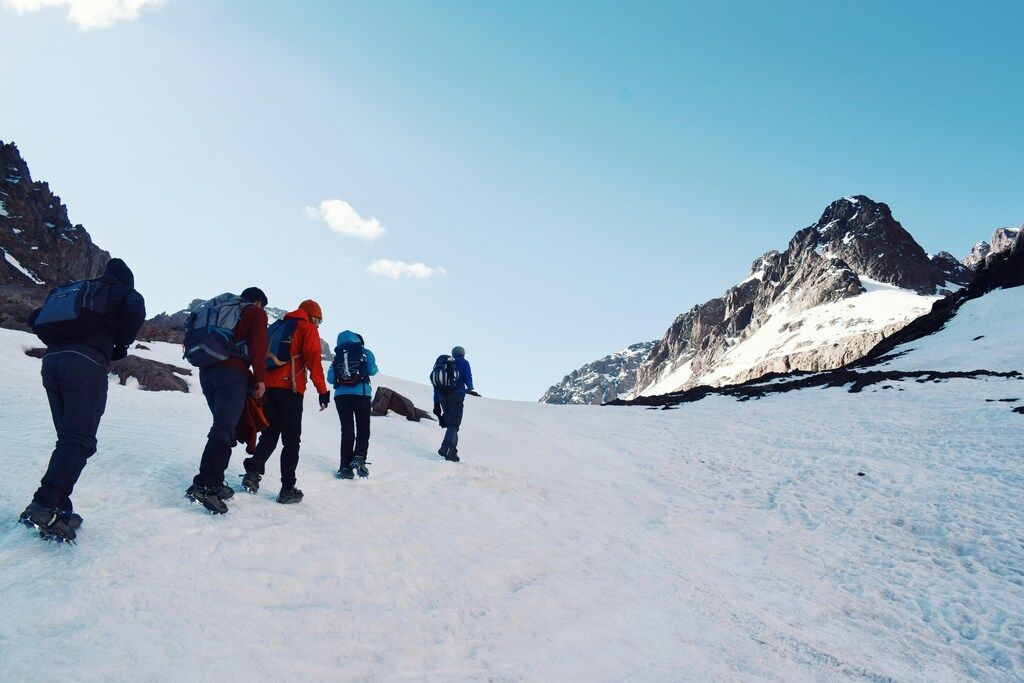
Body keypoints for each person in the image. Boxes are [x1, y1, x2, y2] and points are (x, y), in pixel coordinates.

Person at [21, 258, 146, 542]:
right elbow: (134, 315)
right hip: (85, 363)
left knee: (68, 437)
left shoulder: (76, 289)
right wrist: (119, 344)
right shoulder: (126, 292)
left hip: (52, 361)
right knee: (79, 439)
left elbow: (35, 318)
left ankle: (59, 509)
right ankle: (44, 505)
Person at [187, 287, 269, 514]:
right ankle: (205, 485)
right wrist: (260, 379)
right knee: (224, 428)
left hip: (207, 373)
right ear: (259, 302)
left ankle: (215, 481)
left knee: (226, 428)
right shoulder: (255, 312)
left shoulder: (222, 310)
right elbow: (258, 347)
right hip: (232, 373)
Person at [241, 299, 330, 503]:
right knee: (291, 440)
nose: (317, 325)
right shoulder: (306, 328)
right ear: (312, 316)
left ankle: (252, 474)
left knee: (270, 434)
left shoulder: (279, 325)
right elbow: (314, 362)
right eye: (318, 320)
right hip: (290, 389)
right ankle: (287, 488)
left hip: (267, 388)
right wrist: (323, 391)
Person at [327, 330, 378, 478]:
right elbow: (372, 371)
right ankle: (359, 457)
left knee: (347, 430)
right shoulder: (364, 352)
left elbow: (330, 378)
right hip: (361, 394)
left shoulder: (338, 355)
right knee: (363, 428)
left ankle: (344, 467)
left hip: (341, 396)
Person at [433, 345, 474, 462]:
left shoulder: (443, 366)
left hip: (442, 397)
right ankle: (445, 446)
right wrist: (470, 387)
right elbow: (468, 378)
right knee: (454, 425)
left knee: (452, 424)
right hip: (456, 395)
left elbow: (436, 386)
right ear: (463, 354)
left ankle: (452, 452)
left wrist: (436, 403)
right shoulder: (463, 363)